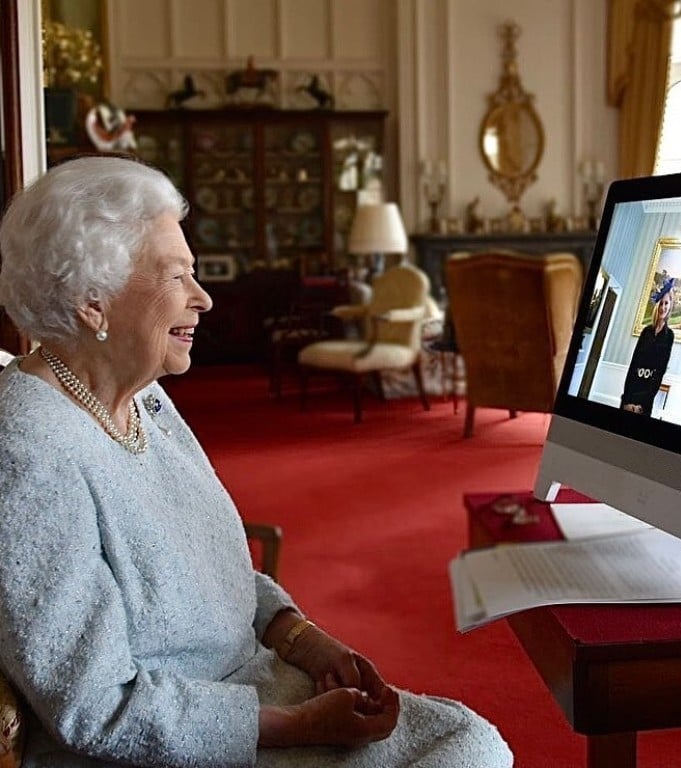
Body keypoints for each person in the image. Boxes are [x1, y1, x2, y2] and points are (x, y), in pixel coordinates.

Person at [0, 156, 513, 768]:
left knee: (466, 741)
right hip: (168, 742)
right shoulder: (27, 450)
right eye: (177, 276)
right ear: (93, 302)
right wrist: (295, 725)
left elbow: (214, 570)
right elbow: (96, 709)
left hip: (251, 685)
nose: (204, 298)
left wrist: (302, 638)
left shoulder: (144, 398)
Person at [621, 277, 675, 416]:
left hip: (645, 398)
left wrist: (641, 403)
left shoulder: (669, 336)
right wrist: (627, 399)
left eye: (666, 303)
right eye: (661, 303)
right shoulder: (646, 332)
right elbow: (634, 364)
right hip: (632, 388)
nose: (663, 307)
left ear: (670, 306)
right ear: (657, 305)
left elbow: (660, 372)